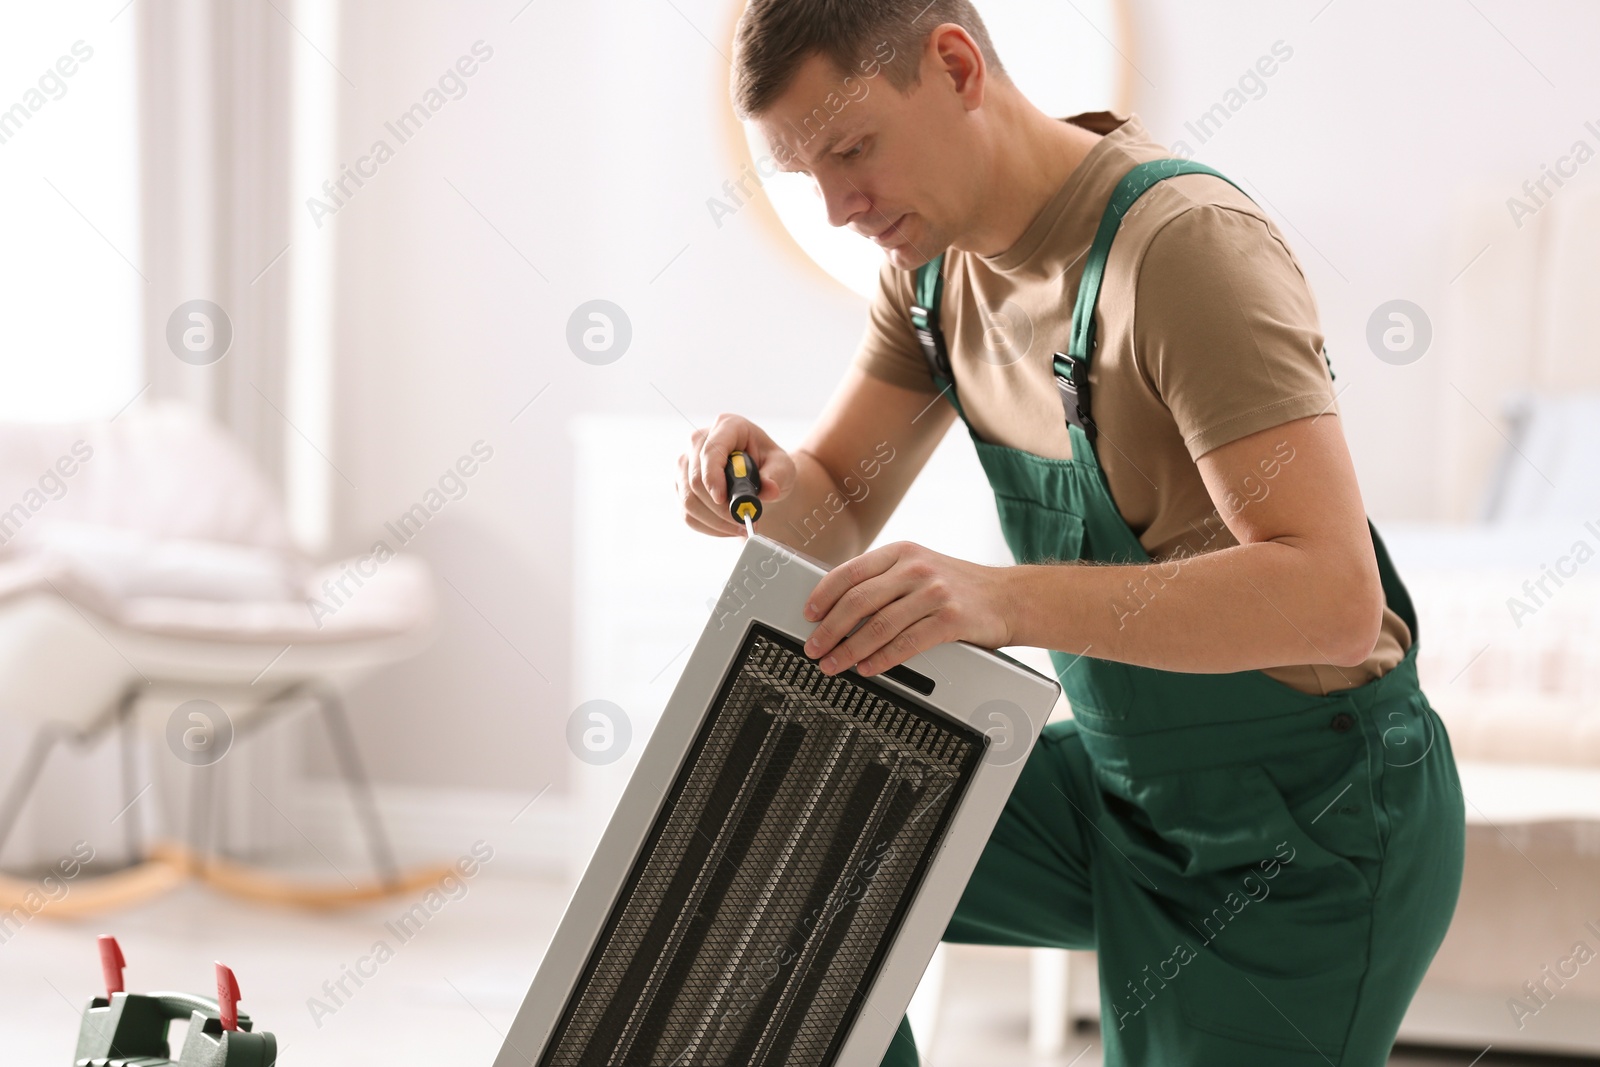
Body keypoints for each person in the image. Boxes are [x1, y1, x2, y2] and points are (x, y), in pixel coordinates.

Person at [674, 2, 1466, 1063]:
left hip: (1307, 826)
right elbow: (835, 512)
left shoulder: (1181, 253)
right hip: (1122, 784)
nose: (837, 207)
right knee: (775, 868)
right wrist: (754, 486)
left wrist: (998, 598)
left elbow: (1331, 599)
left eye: (852, 150)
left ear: (954, 66)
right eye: (803, 173)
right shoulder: (930, 275)